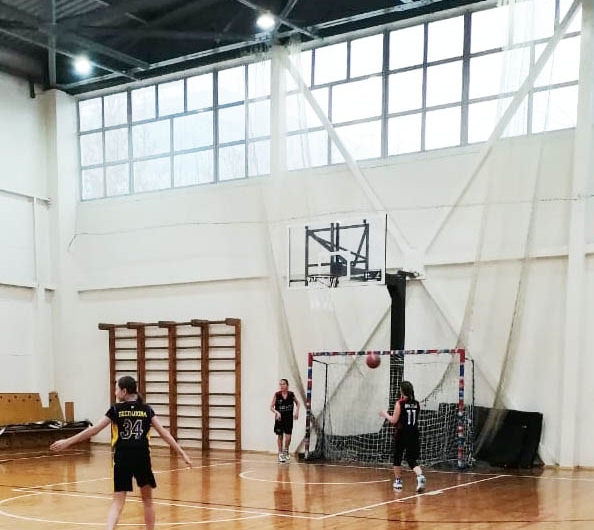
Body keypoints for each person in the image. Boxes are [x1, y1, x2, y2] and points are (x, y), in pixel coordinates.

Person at [50, 375, 192, 530]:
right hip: (142, 458)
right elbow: (164, 433)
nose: (115, 392)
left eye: (116, 389)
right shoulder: (147, 410)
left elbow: (94, 430)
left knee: (117, 502)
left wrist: (67, 441)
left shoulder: (116, 409)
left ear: (124, 391)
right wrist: (182, 453)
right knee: (147, 501)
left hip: (122, 458)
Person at [379, 380, 426, 492]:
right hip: (414, 433)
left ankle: (398, 481)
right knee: (411, 459)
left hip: (402, 433)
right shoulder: (416, 403)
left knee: (397, 457)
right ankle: (420, 476)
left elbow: (394, 420)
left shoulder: (400, 403)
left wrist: (385, 414)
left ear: (402, 391)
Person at [270, 378, 300, 463]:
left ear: (287, 385)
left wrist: (297, 412)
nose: (282, 386)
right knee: (280, 436)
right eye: (280, 384)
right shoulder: (277, 394)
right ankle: (280, 453)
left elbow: (298, 403)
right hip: (279, 419)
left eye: (283, 384)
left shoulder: (291, 394)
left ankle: (286, 450)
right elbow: (271, 407)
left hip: (289, 418)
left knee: (288, 437)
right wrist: (277, 412)